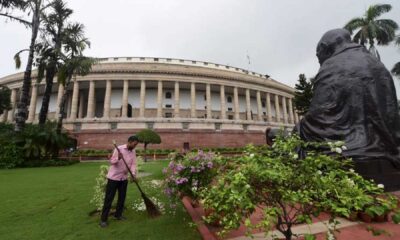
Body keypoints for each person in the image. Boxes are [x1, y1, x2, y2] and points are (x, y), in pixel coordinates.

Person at [298, 28, 400, 189]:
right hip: (388, 145)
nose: (320, 62)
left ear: (325, 47)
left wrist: (301, 125)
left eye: (319, 57)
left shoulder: (331, 65)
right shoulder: (377, 64)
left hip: (349, 147)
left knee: (295, 135)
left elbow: (319, 116)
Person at [100, 135, 139, 228]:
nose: (135, 146)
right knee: (109, 199)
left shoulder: (133, 151)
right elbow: (111, 162)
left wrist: (133, 174)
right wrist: (118, 158)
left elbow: (133, 163)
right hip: (113, 178)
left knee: (122, 198)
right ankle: (103, 220)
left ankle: (118, 215)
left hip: (123, 178)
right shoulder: (119, 149)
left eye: (136, 145)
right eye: (134, 144)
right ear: (129, 142)